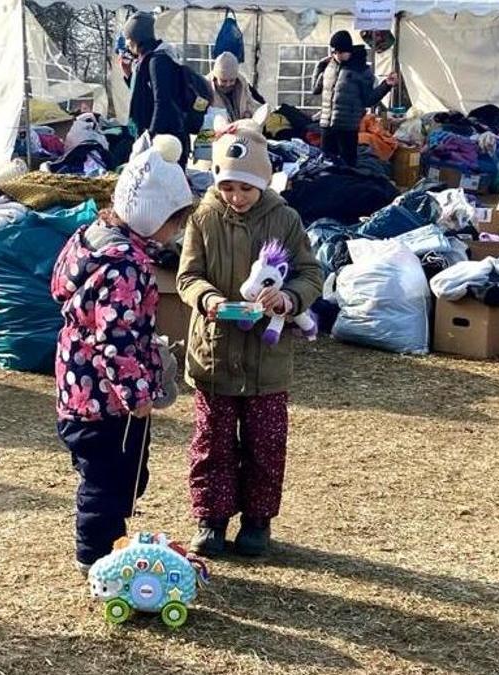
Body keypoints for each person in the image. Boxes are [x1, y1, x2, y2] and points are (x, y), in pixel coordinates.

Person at [177, 122, 323, 558]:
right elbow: (187, 276)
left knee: (265, 443)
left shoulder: (285, 219)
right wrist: (210, 301)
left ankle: (258, 521)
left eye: (245, 188)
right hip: (214, 353)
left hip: (267, 359)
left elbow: (310, 273)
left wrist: (289, 299)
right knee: (212, 441)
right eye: (228, 187)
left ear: (262, 182)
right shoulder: (203, 218)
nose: (236, 197)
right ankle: (211, 518)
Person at [52, 135, 196, 573]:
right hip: (104, 398)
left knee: (117, 474)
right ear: (152, 216)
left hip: (79, 385)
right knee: (106, 481)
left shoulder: (92, 239)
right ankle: (96, 559)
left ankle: (108, 543)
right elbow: (115, 339)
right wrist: (138, 394)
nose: (176, 233)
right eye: (174, 223)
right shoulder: (124, 267)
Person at [312, 30, 399, 166]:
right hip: (326, 126)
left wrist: (386, 85)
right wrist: (319, 67)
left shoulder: (361, 70)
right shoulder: (329, 66)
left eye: (341, 52)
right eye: (334, 52)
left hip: (347, 127)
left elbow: (369, 100)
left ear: (349, 51)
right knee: (326, 165)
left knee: (348, 166)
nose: (337, 55)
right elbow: (315, 90)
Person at [119, 12, 190, 166]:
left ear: (136, 38)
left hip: (166, 138)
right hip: (164, 134)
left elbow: (162, 100)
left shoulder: (158, 61)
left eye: (128, 39)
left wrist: (151, 134)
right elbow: (146, 94)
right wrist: (129, 74)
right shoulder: (150, 59)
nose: (127, 44)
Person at [209, 51, 265, 125]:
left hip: (240, 130)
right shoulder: (205, 88)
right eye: (223, 81)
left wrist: (249, 114)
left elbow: (251, 103)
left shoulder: (242, 83)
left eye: (232, 80)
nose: (228, 84)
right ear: (216, 77)